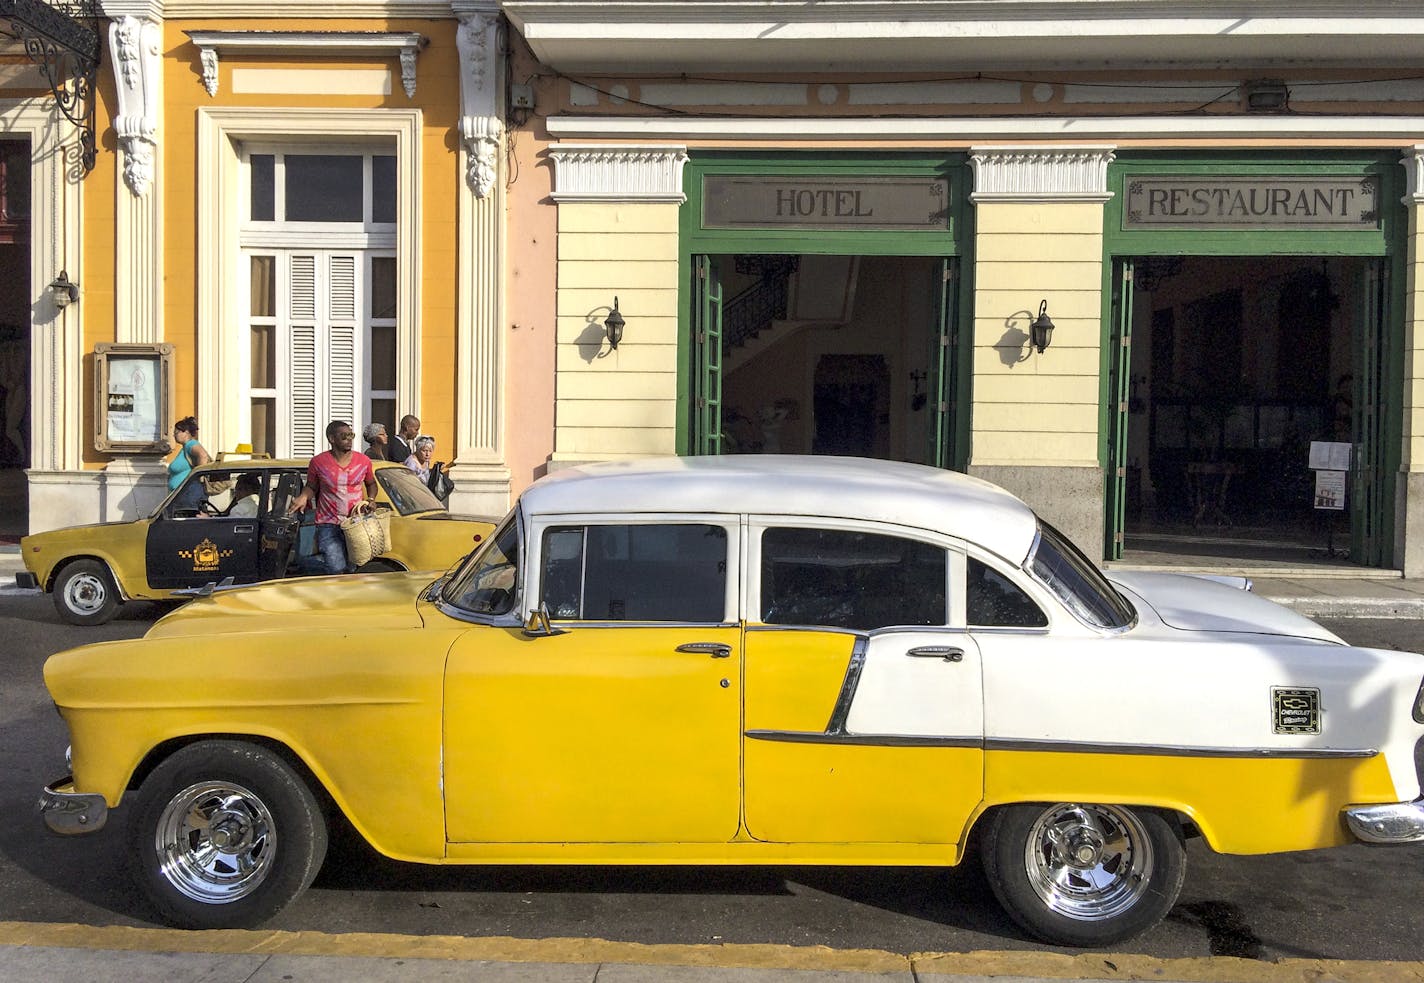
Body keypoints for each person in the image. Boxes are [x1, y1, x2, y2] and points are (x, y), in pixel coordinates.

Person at [287, 420, 376, 574]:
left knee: (354, 567)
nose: (349, 439)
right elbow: (312, 486)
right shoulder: (318, 462)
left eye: (351, 435)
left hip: (355, 522)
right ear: (331, 439)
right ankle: (308, 570)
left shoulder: (363, 461)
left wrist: (371, 500)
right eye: (344, 436)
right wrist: (303, 497)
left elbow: (371, 484)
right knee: (336, 566)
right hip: (328, 523)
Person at [168, 416, 211, 510]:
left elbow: (202, 455)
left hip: (188, 495)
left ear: (186, 432)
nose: (174, 435)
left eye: (176, 432)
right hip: (183, 495)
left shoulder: (190, 444)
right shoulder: (185, 447)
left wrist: (200, 476)